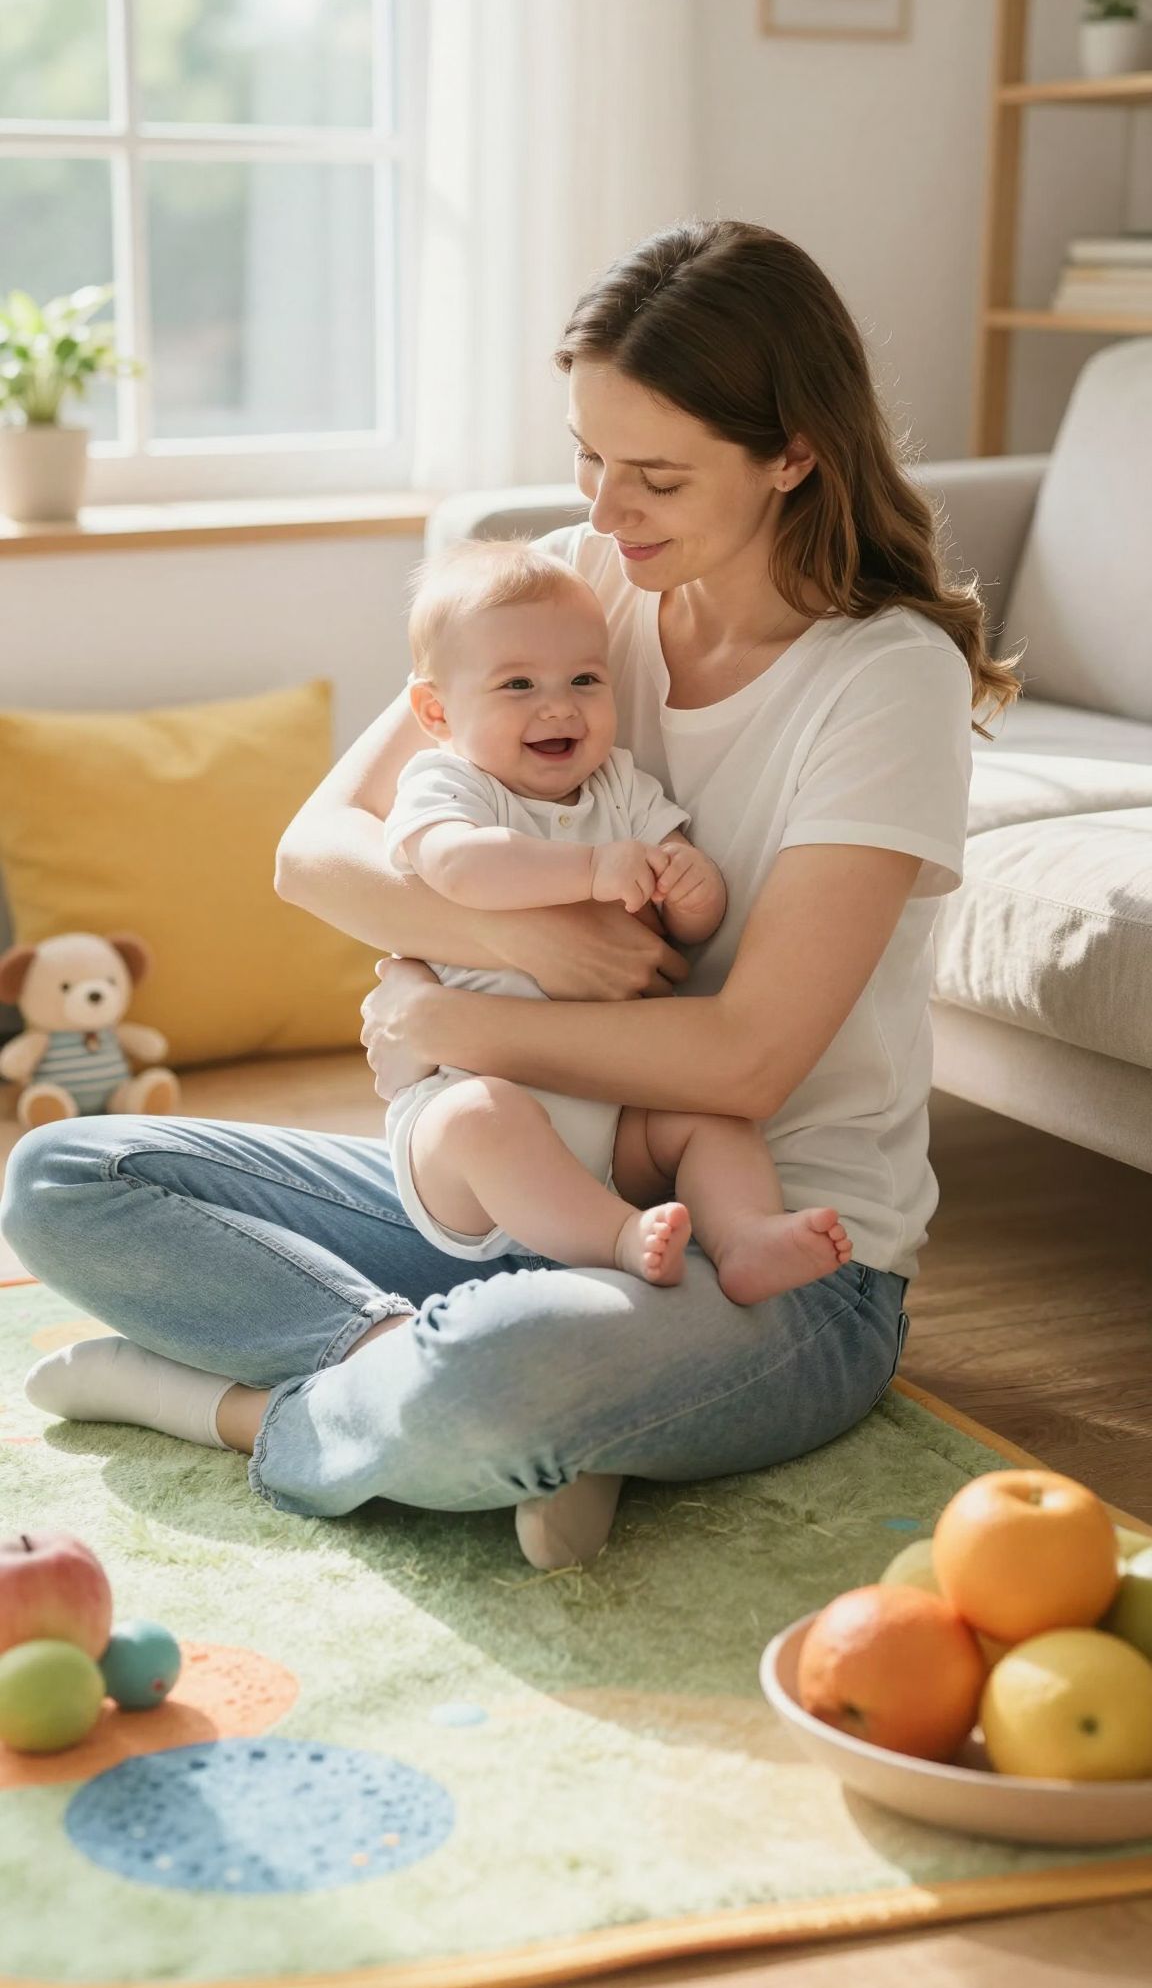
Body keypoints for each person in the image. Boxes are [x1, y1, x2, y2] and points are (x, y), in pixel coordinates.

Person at [2, 218, 1019, 1575]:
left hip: (765, 1257)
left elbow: (748, 1060)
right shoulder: (580, 581)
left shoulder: (885, 678)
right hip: (521, 1181)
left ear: (793, 452)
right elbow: (316, 849)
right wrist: (517, 940)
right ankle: (408, 1369)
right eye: (590, 456)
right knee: (67, 1172)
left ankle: (234, 1406)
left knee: (502, 1373)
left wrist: (455, 1023)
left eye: (656, 475)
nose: (607, 507)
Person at [381, 536, 853, 1298]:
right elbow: (458, 866)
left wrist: (693, 890)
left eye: (584, 679)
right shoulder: (448, 784)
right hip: (466, 1133)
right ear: (437, 710)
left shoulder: (619, 785)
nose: (558, 705)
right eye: (518, 685)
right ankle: (619, 1239)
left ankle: (744, 1235)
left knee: (714, 1121)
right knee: (484, 1118)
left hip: (611, 1118)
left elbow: (685, 908)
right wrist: (592, 870)